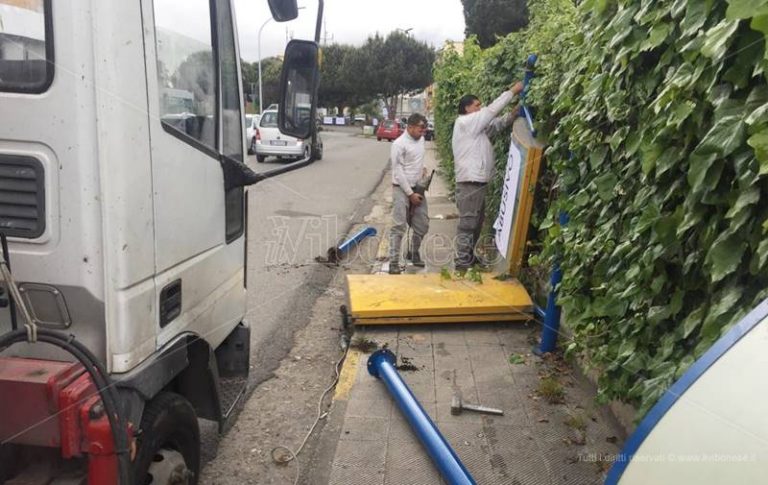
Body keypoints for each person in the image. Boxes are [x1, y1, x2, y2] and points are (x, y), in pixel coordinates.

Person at [452, 81, 524, 271]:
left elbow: (496, 125)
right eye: (477, 105)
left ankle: (468, 257)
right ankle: (461, 261)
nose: (480, 107)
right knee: (468, 223)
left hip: (478, 182)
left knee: (476, 222)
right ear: (467, 108)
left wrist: (514, 114)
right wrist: (513, 91)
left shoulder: (477, 130)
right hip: (469, 182)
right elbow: (490, 112)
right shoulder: (465, 122)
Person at [389, 113, 429, 275]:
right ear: (410, 127)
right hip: (401, 189)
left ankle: (413, 252)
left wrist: (423, 170)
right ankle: (393, 262)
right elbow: (398, 171)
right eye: (421, 127)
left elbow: (418, 160)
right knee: (399, 226)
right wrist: (410, 194)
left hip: (418, 188)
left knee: (422, 224)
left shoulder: (421, 140)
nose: (423, 131)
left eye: (424, 128)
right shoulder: (399, 144)